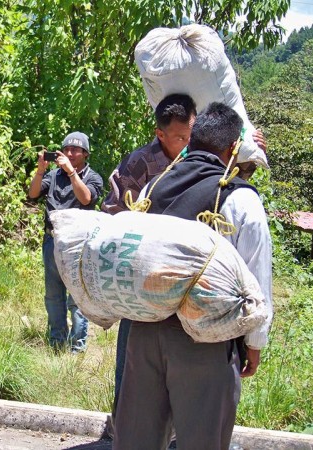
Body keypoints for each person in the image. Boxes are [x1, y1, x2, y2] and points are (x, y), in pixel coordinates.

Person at [101, 94, 267, 433]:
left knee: (138, 440)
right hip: (206, 342)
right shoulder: (239, 198)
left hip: (145, 333)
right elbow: (256, 280)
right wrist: (255, 343)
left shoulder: (154, 187)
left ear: (193, 139)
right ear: (233, 147)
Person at [28, 132, 103, 353]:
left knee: (77, 294)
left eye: (75, 150)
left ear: (85, 154)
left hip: (79, 244)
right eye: (66, 149)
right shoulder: (53, 175)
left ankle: (77, 346)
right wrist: (41, 170)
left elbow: (86, 198)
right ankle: (56, 341)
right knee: (53, 293)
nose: (70, 153)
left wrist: (71, 172)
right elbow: (33, 194)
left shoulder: (93, 177)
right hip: (52, 239)